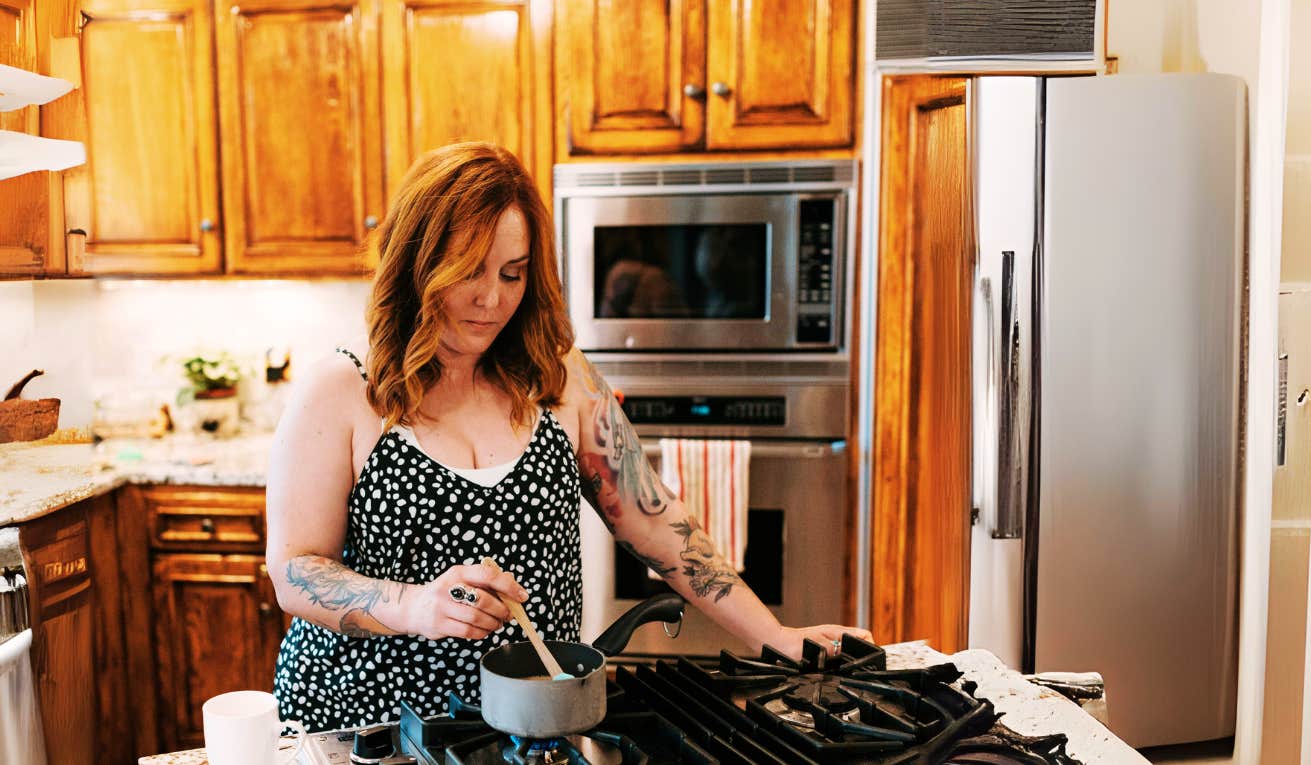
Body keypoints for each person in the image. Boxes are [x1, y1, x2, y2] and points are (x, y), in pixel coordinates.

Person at [265, 142, 872, 732]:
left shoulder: (558, 377)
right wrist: (413, 605)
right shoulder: (344, 390)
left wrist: (777, 637)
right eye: (469, 272)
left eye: (513, 273)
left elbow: (654, 522)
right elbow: (293, 570)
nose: (492, 299)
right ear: (417, 264)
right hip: (367, 725)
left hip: (532, 725)